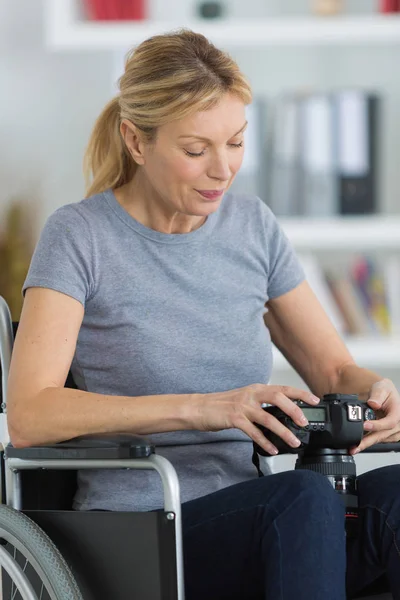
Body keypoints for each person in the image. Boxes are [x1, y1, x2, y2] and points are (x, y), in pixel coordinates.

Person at [6, 28, 400, 600]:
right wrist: (206, 409)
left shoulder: (252, 227)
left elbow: (335, 373)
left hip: (258, 515)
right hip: (140, 527)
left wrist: (379, 396)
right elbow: (30, 412)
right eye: (196, 151)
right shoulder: (80, 236)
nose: (224, 170)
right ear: (136, 141)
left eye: (236, 143)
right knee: (305, 499)